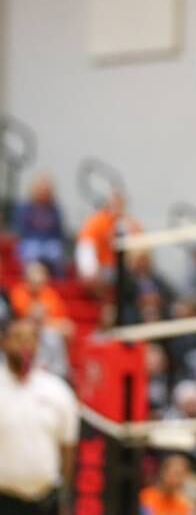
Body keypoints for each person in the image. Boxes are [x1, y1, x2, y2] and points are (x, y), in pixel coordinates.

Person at [0, 318, 78, 514]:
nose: (24, 345)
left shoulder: (57, 390)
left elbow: (68, 447)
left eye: (31, 338)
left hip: (45, 501)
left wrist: (64, 496)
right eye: (18, 338)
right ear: (4, 342)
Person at [14, 175, 66, 277]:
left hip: (49, 242)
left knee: (56, 252)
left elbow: (59, 232)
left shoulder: (55, 210)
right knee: (31, 251)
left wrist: (47, 242)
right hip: (30, 241)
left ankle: (58, 281)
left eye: (46, 191)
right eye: (41, 190)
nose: (43, 193)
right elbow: (21, 230)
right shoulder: (25, 208)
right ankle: (29, 279)